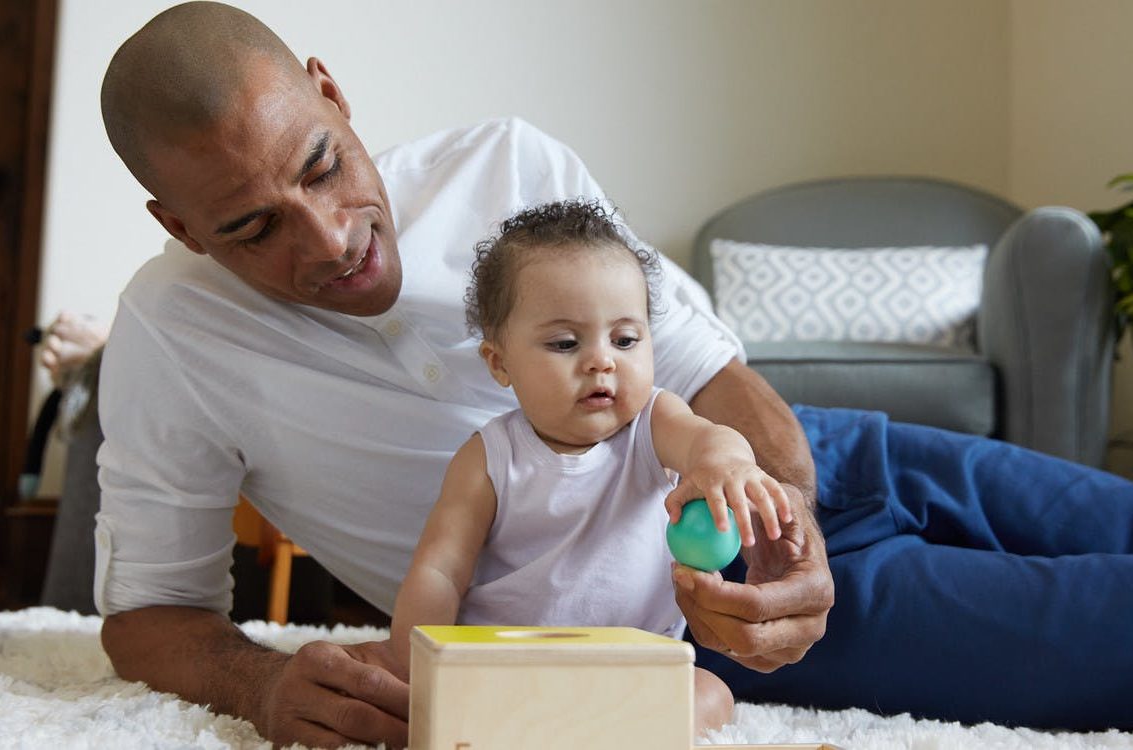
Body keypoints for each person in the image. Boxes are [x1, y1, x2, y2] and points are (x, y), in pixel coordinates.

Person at [92, 2, 1132, 747]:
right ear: (178, 226)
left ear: (332, 93)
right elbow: (150, 614)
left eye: (321, 165)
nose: (329, 240)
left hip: (812, 462)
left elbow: (711, 376)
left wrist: (789, 520)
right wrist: (266, 684)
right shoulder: (169, 339)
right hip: (692, 607)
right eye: (252, 227)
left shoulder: (506, 166)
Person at [388, 199, 794, 732]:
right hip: (512, 665)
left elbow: (707, 441)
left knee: (710, 696)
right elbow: (440, 569)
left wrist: (729, 465)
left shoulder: (653, 425)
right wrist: (413, 668)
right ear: (500, 362)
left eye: (626, 340)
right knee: (465, 711)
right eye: (564, 343)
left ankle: (599, 735)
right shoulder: (488, 458)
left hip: (635, 665)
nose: (602, 360)